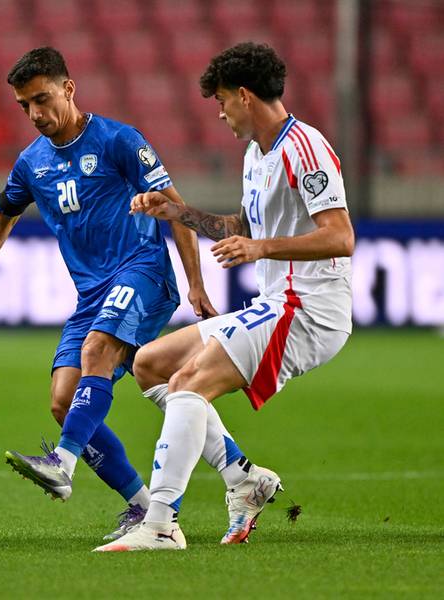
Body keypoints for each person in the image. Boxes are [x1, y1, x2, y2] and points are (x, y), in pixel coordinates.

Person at [0, 47, 263, 541]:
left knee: (97, 352)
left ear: (69, 88)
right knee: (66, 401)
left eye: (42, 99)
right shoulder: (31, 164)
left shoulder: (118, 140)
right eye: (25, 105)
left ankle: (61, 465)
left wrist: (194, 283)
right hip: (91, 294)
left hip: (143, 272)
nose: (36, 114)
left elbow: (175, 209)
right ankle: (159, 500)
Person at [96, 42, 354, 552]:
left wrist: (261, 247)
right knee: (150, 363)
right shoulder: (257, 154)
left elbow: (340, 235)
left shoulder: (306, 148)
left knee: (190, 382)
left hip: (308, 311)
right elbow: (239, 225)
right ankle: (244, 478)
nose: (219, 114)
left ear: (243, 95)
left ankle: (162, 524)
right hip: (275, 302)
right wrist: (178, 214)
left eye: (220, 101)